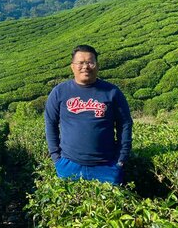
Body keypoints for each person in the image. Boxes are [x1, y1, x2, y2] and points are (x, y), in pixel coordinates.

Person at [44, 45, 133, 185]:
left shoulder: (112, 92)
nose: (85, 66)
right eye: (80, 63)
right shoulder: (59, 92)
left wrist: (120, 160)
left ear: (97, 66)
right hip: (68, 166)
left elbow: (125, 124)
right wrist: (57, 158)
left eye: (90, 62)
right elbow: (50, 123)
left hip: (107, 167)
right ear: (72, 67)